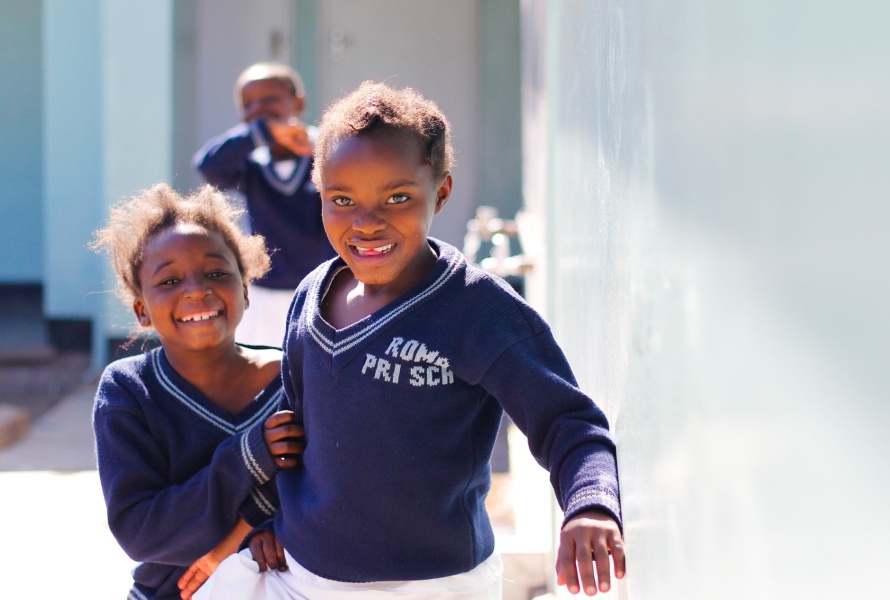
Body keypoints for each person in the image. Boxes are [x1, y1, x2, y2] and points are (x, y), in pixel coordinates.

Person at [197, 82, 625, 599]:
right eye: (342, 200)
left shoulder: (476, 309)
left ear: (440, 192)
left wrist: (591, 505)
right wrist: (262, 519)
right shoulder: (311, 295)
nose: (366, 222)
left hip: (435, 584)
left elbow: (569, 421)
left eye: (397, 197)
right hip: (307, 575)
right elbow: (291, 429)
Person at [90, 184, 304, 600]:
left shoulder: (295, 376)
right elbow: (142, 532)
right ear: (142, 310)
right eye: (169, 279)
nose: (196, 289)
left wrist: (265, 527)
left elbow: (329, 485)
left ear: (245, 289)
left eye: (216, 273)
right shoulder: (129, 390)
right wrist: (247, 458)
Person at [193, 63, 336, 347]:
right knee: (266, 370)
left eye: (270, 99)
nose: (258, 109)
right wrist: (261, 133)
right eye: (248, 105)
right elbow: (208, 167)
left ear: (299, 102)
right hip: (264, 292)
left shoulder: (327, 151)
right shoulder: (250, 163)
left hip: (321, 289)